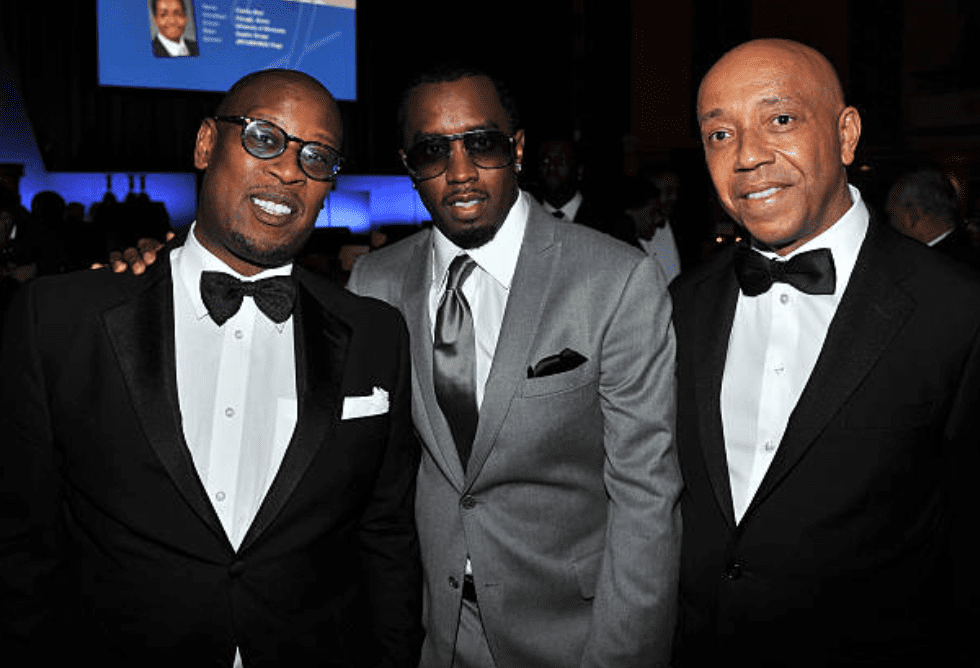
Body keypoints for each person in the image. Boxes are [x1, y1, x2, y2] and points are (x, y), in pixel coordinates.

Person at [0, 69, 422, 667]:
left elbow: (386, 541)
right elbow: (21, 549)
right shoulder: (61, 322)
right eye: (264, 138)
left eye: (318, 156)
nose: (288, 170)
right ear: (205, 145)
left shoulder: (375, 335)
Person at [347, 66, 681, 668]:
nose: (461, 171)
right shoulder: (375, 282)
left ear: (518, 148)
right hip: (428, 632)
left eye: (483, 143)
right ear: (408, 165)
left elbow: (647, 497)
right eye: (432, 150)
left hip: (572, 633)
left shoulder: (616, 280)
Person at [670, 38, 980, 666]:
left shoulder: (957, 309)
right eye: (720, 134)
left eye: (780, 119)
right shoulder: (680, 303)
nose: (749, 156)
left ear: (846, 134)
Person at [886, 167, 980, 270]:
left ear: (913, 214)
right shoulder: (969, 251)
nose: (890, 223)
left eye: (892, 215)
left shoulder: (928, 266)